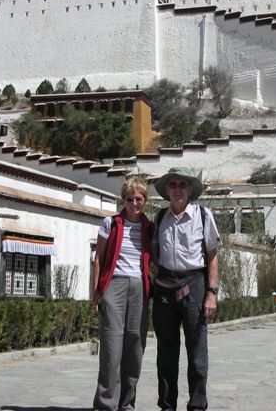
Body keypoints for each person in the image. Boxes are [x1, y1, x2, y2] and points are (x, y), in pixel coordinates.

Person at [152, 167, 221, 411]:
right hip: (165, 286)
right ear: (167, 190)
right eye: (173, 185)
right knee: (166, 352)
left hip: (195, 284)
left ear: (190, 189)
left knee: (197, 351)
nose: (178, 189)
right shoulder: (160, 218)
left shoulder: (203, 216)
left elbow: (212, 256)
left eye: (183, 184)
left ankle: (197, 405)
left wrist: (211, 293)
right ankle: (167, 405)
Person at [92, 176, 154, 411]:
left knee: (135, 348)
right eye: (130, 199)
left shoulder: (149, 227)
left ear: (144, 200)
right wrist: (96, 293)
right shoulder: (111, 223)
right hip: (114, 285)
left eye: (139, 199)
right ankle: (106, 405)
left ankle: (127, 404)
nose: (135, 203)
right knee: (111, 348)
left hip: (139, 288)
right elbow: (98, 258)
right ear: (124, 200)